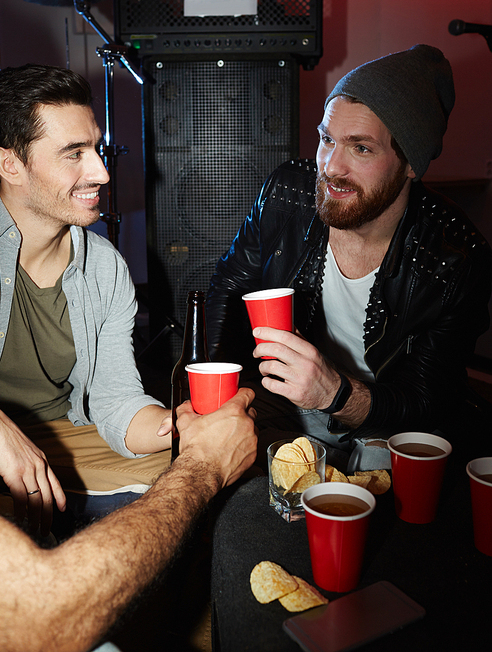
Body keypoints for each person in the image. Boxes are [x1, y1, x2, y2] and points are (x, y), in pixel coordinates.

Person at [206, 44, 492, 472]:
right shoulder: (287, 192)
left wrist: (335, 394)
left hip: (390, 418)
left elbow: (424, 400)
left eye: (361, 148)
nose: (331, 167)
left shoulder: (454, 255)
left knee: (381, 506)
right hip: (287, 402)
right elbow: (228, 291)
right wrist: (214, 396)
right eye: (327, 139)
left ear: (410, 163)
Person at [0, 64, 174, 536]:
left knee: (191, 488)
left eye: (95, 147)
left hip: (62, 437)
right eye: (74, 153)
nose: (102, 172)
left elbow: (115, 401)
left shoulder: (105, 267)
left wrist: (179, 425)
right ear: (10, 164)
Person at [0, 387, 257, 652]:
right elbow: (46, 618)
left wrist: (194, 429)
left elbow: (116, 400)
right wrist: (203, 467)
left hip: (63, 425)